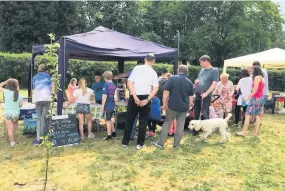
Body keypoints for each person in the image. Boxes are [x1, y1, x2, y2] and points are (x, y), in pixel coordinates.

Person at [122, 54, 159, 150]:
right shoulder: (153, 72)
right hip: (145, 96)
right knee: (143, 121)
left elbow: (129, 83)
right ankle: (140, 143)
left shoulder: (137, 68)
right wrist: (148, 99)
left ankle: (125, 142)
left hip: (134, 95)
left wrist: (134, 97)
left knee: (130, 119)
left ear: (145, 59)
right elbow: (156, 88)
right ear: (153, 61)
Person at [153, 65, 194, 148]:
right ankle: (176, 145)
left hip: (173, 106)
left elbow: (165, 94)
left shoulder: (172, 78)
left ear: (178, 70)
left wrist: (164, 105)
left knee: (167, 124)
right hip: (184, 107)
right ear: (186, 72)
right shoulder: (189, 82)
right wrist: (189, 105)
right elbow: (191, 98)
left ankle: (160, 143)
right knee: (180, 125)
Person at [193, 55, 219, 135]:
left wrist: (206, 93)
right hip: (197, 93)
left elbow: (214, 84)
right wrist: (196, 81)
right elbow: (198, 79)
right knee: (196, 112)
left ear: (206, 61)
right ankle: (195, 130)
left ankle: (207, 130)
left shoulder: (214, 70)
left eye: (201, 62)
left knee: (205, 113)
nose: (200, 64)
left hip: (205, 95)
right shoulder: (202, 70)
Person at [236, 66, 265, 137]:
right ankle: (255, 133)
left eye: (252, 70)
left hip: (255, 98)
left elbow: (255, 89)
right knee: (257, 116)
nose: (251, 72)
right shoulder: (262, 78)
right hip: (261, 98)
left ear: (254, 71)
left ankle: (243, 132)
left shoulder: (256, 78)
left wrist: (247, 97)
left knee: (247, 115)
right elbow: (262, 90)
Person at [32, 64, 53, 145]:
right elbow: (51, 89)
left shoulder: (34, 77)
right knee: (44, 118)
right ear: (45, 70)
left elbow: (34, 88)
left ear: (39, 69)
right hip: (46, 99)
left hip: (38, 99)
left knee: (39, 118)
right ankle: (44, 137)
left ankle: (38, 138)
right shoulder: (49, 77)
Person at [0, 79, 23, 146]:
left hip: (7, 113)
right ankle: (11, 136)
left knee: (9, 128)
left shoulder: (6, 91)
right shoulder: (19, 94)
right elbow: (21, 105)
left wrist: (6, 81)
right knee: (15, 125)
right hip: (15, 113)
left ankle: (12, 142)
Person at [101, 71, 117, 140]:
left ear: (105, 78)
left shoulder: (106, 85)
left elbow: (104, 97)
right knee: (110, 119)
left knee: (107, 120)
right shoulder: (113, 84)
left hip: (107, 104)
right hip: (112, 104)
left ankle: (109, 135)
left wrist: (102, 107)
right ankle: (113, 133)